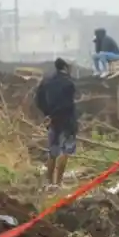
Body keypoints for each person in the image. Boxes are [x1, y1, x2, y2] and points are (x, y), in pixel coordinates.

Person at [34, 58, 78, 188]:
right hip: (67, 121)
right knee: (65, 151)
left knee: (53, 152)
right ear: (65, 67)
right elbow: (68, 104)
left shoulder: (46, 81)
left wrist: (47, 113)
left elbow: (38, 100)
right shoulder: (69, 83)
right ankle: (58, 183)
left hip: (53, 121)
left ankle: (49, 182)